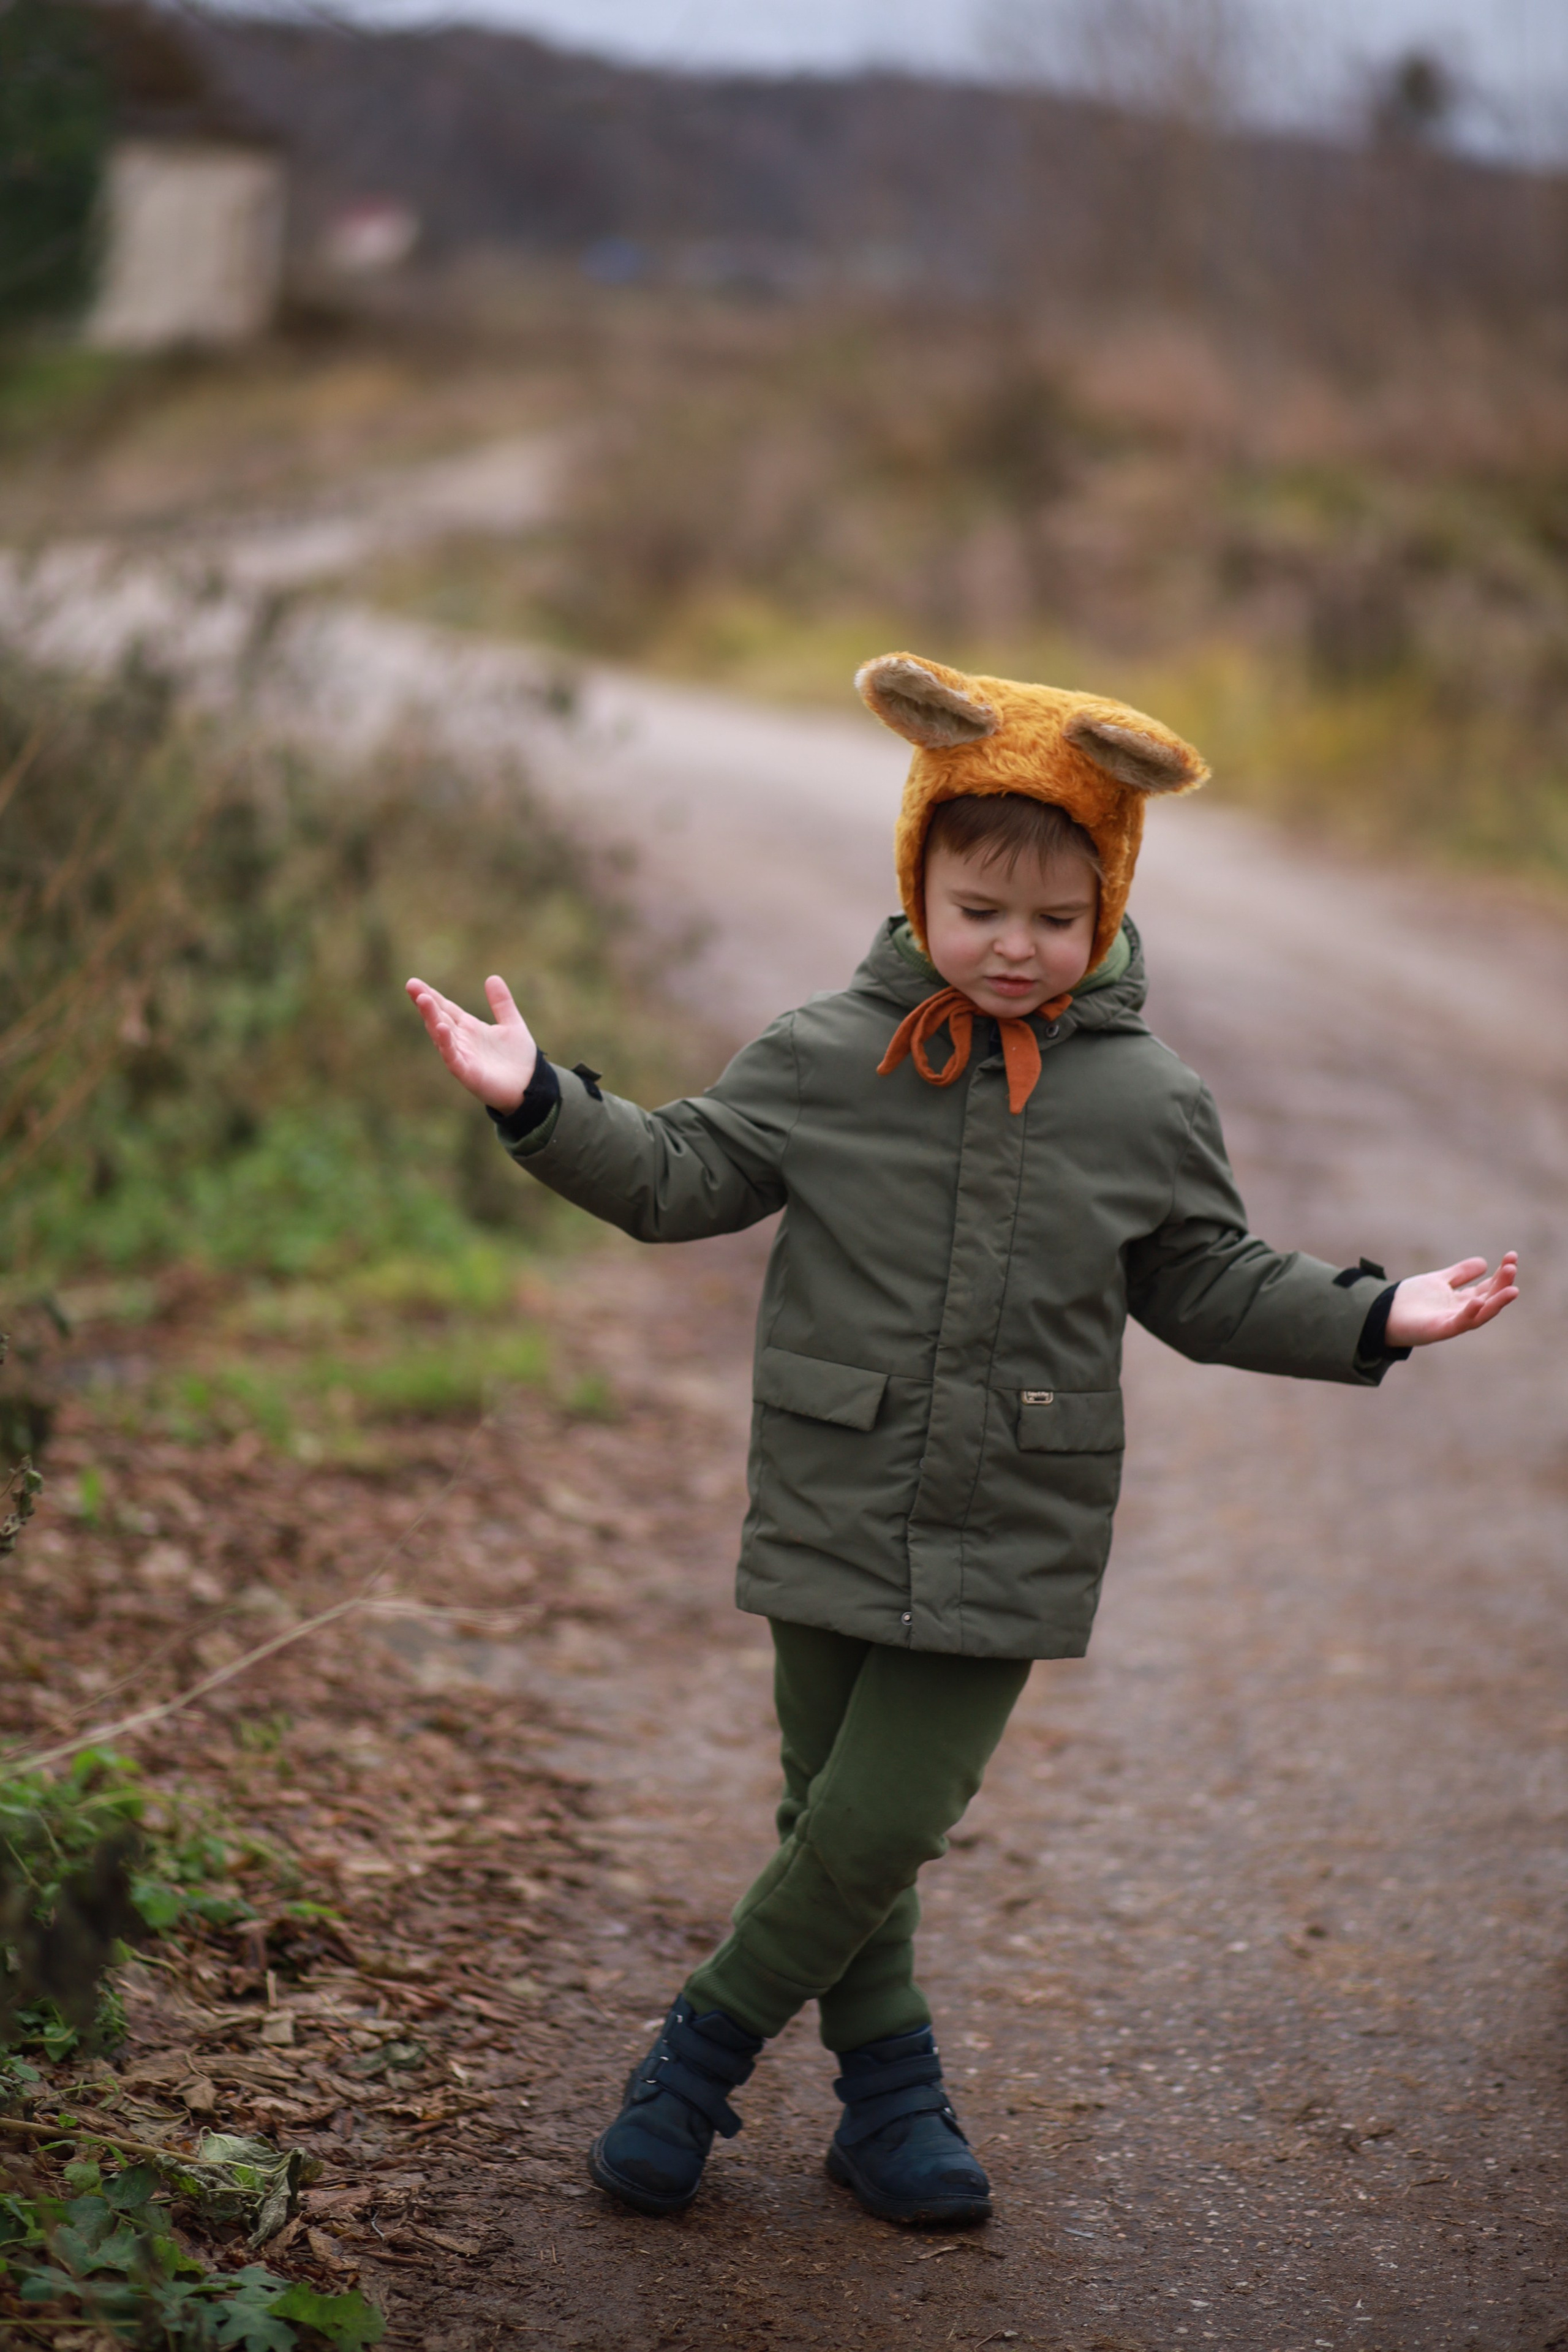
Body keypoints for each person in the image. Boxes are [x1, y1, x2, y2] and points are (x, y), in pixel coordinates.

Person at [407, 650, 1518, 2231]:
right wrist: (541, 1104)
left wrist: (1371, 1312)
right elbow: (674, 1181)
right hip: (830, 1486)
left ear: (1111, 907)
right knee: (832, 1829)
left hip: (1015, 1510)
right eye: (981, 910)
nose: (1016, 949)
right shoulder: (821, 1052)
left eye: (1058, 921)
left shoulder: (1151, 1098)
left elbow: (1203, 1283)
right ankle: (889, 2109)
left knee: (881, 1819)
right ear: (917, 878)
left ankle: (694, 2064)